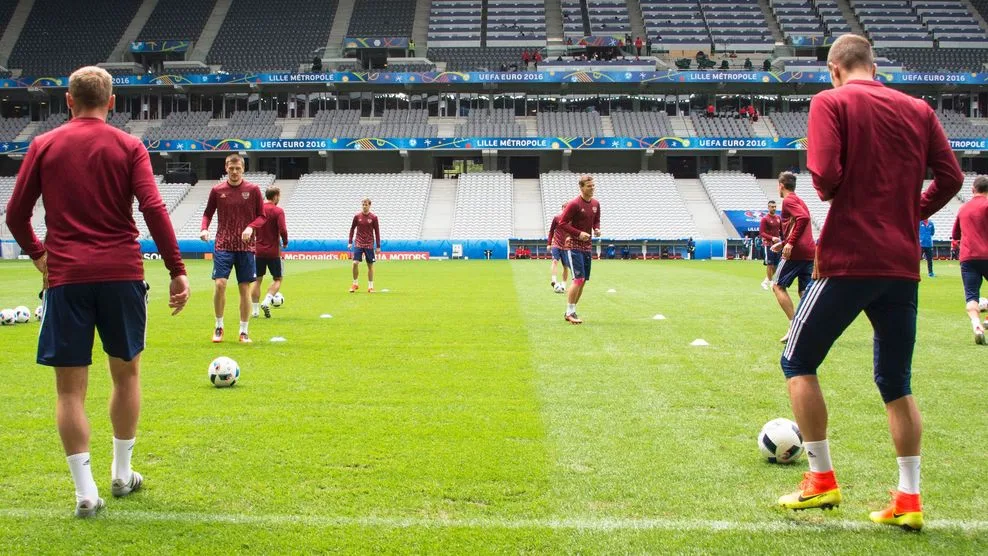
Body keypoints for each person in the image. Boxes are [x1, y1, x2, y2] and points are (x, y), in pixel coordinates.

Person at [776, 35, 963, 532]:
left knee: (797, 360)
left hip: (850, 256)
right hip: (901, 263)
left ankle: (820, 480)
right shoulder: (918, 109)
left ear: (834, 69)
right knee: (896, 382)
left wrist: (833, 188)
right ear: (873, 65)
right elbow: (951, 177)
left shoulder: (830, 102)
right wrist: (910, 212)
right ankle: (908, 497)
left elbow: (825, 174)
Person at [4, 66, 190, 518]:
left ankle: (85, 491)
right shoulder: (129, 146)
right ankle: (122, 474)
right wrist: (176, 269)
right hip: (122, 275)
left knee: (69, 391)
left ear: (68, 101)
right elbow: (152, 208)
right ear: (112, 103)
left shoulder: (43, 145)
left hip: (67, 278)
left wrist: (39, 255)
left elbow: (15, 213)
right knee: (126, 375)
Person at [201, 153, 266, 344]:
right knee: (220, 284)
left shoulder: (253, 190)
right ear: (226, 167)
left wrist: (250, 227)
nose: (235, 171)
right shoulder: (217, 190)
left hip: (245, 247)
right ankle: (219, 326)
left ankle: (243, 331)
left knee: (244, 289)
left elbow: (262, 216)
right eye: (231, 168)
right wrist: (204, 228)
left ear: (243, 169)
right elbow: (207, 213)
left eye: (238, 168)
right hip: (223, 244)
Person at [771, 171, 815, 343]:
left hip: (796, 252)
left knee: (777, 285)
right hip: (809, 251)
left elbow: (803, 218)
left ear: (781, 185)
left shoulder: (788, 200)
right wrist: (783, 242)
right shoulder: (799, 200)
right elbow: (800, 222)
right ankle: (811, 327)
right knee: (804, 291)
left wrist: (789, 244)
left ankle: (794, 326)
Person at [558, 175, 601, 324]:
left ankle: (572, 311)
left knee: (583, 281)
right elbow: (562, 223)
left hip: (587, 246)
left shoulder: (596, 203)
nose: (592, 188)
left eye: (593, 185)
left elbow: (596, 221)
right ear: (581, 187)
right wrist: (578, 233)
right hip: (574, 246)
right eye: (589, 186)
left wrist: (597, 229)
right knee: (579, 279)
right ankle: (569, 312)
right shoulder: (574, 204)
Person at [951, 176, 988, 344]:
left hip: (968, 257)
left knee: (971, 296)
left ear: (973, 189)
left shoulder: (963, 209)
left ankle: (977, 326)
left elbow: (956, 236)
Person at [251, 186, 289, 318]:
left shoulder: (258, 211)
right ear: (276, 196)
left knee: (257, 280)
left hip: (259, 250)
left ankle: (255, 311)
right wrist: (285, 241)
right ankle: (267, 301)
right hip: (273, 251)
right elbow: (282, 229)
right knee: (278, 279)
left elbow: (253, 228)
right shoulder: (278, 211)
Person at [348, 198, 382, 293]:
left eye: (366, 204)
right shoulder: (357, 216)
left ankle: (370, 287)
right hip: (358, 242)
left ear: (369, 205)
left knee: (370, 266)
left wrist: (378, 246)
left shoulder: (374, 218)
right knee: (355, 263)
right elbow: (352, 229)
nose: (364, 206)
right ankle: (355, 284)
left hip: (369, 244)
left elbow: (377, 232)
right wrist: (350, 242)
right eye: (363, 204)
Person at [547, 202, 571, 292]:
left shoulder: (573, 221)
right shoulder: (557, 218)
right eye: (564, 208)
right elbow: (551, 231)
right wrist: (549, 243)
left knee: (565, 266)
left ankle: (564, 285)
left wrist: (569, 238)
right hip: (556, 244)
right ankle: (554, 281)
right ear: (562, 209)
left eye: (568, 208)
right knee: (555, 261)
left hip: (566, 247)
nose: (566, 210)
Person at [760, 200, 783, 290]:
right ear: (768, 207)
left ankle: (766, 281)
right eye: (772, 207)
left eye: (775, 206)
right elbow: (762, 233)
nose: (774, 208)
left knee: (776, 264)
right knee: (770, 264)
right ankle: (770, 282)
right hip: (768, 244)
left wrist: (783, 240)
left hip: (777, 245)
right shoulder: (765, 219)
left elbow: (781, 231)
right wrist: (772, 238)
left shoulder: (778, 218)